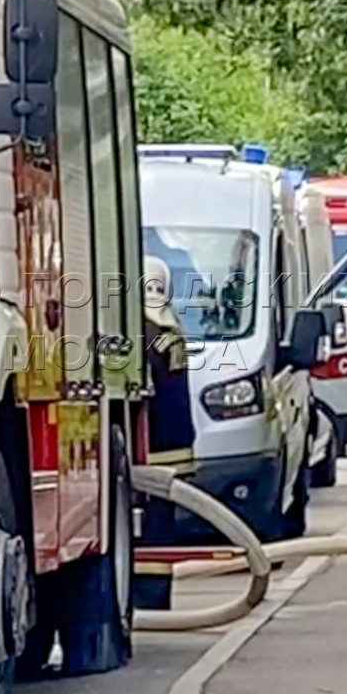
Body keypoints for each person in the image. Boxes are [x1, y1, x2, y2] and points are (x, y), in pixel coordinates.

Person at [134, 256, 196, 610]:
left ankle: (149, 602)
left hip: (153, 448)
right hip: (178, 448)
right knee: (161, 529)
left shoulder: (143, 330)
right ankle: (157, 600)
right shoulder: (170, 325)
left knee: (151, 534)